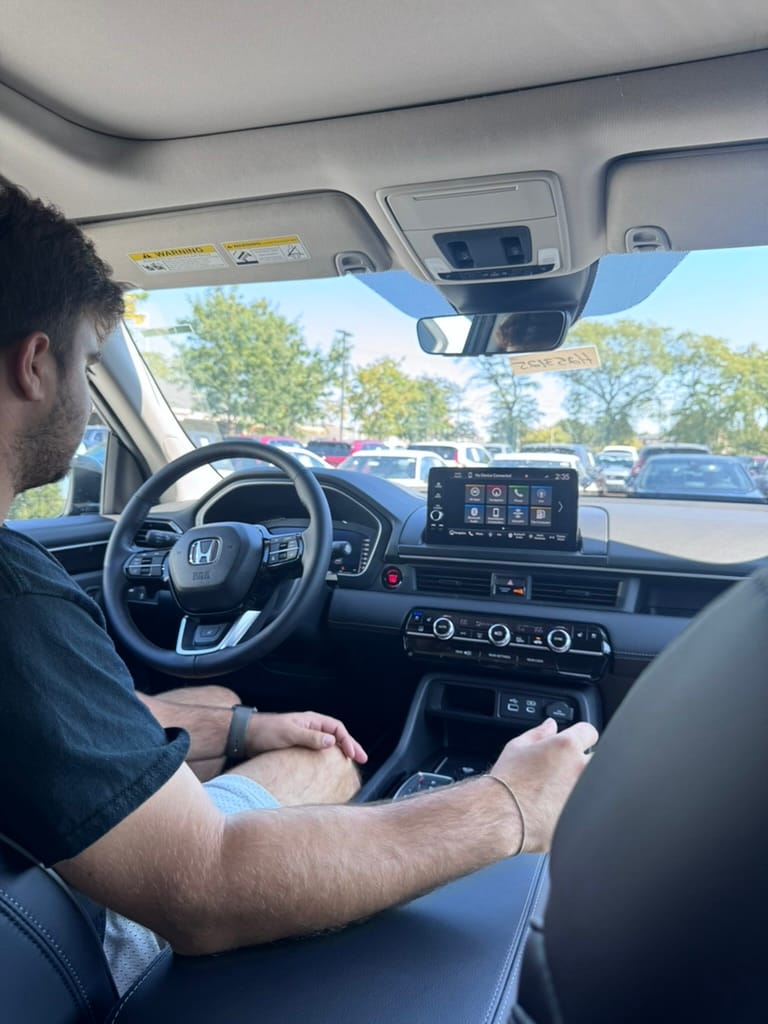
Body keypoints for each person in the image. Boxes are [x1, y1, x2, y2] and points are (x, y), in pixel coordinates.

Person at [0, 182, 598, 993]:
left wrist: (245, 725)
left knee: (219, 699)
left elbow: (69, 715)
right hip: (68, 953)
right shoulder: (17, 600)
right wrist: (509, 803)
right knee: (325, 765)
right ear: (36, 365)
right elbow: (206, 886)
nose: (85, 393)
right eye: (87, 364)